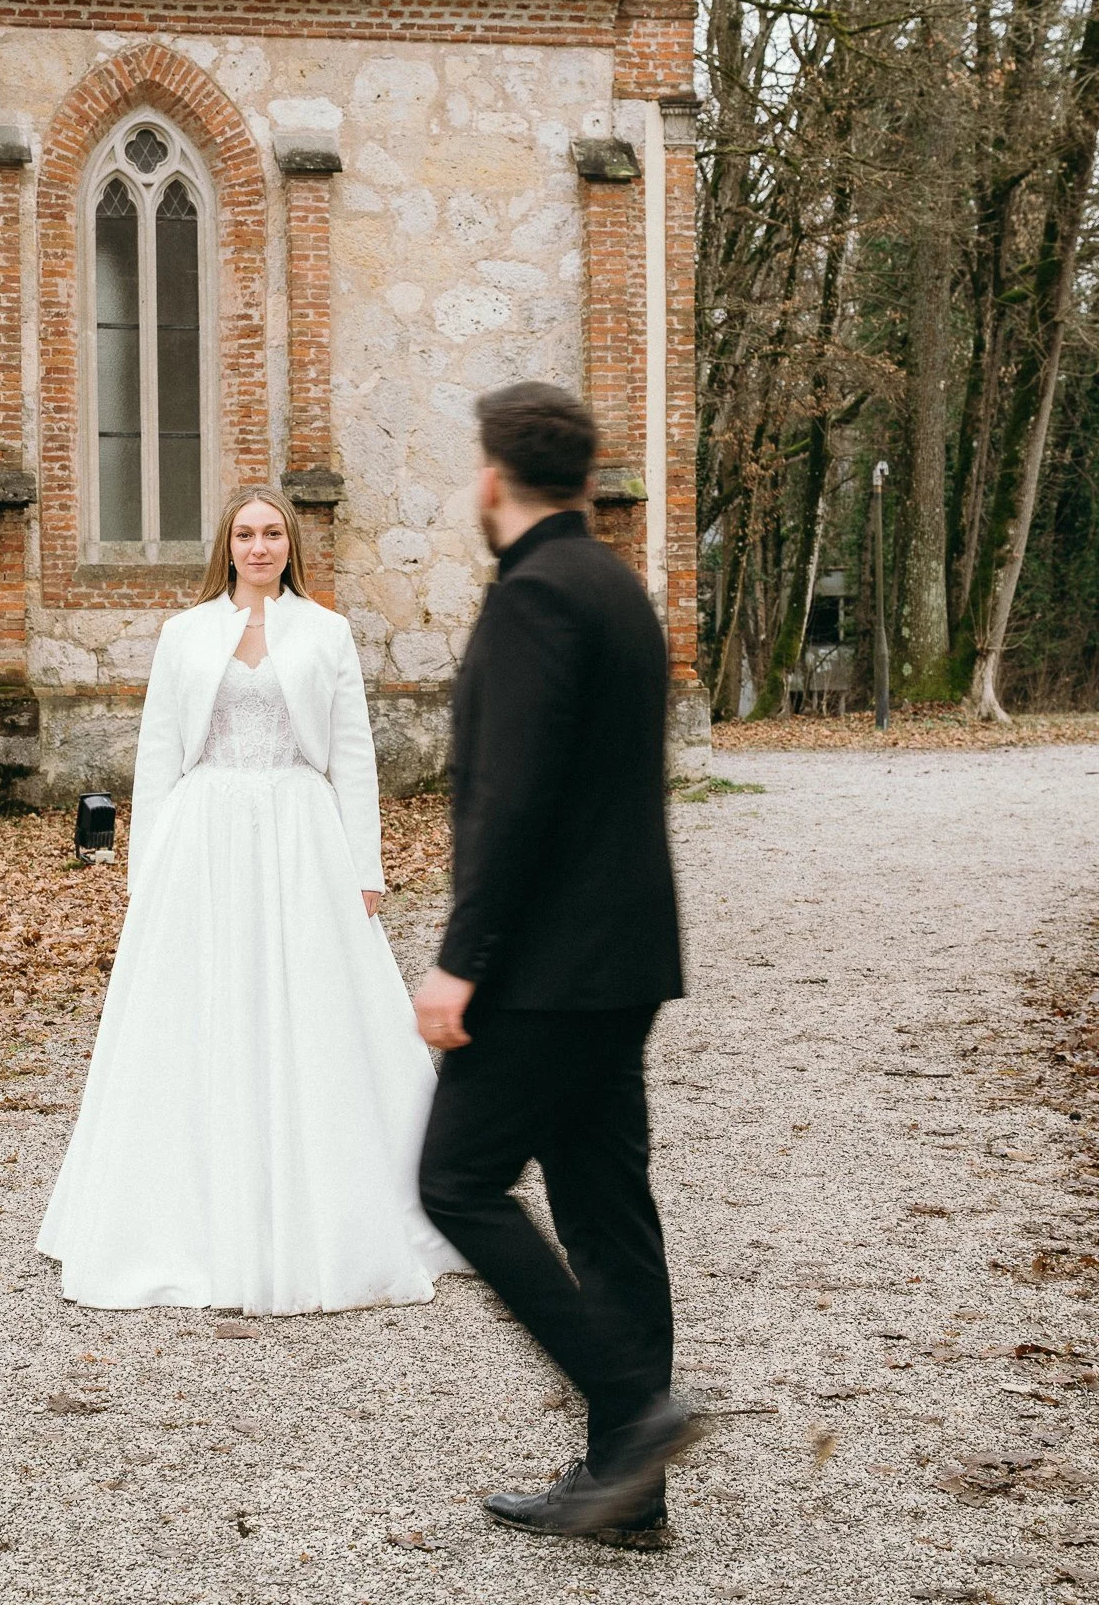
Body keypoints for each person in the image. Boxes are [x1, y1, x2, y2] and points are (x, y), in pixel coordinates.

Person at [38, 485, 465, 1314]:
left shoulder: (327, 632)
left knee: (313, 1005)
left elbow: (352, 756)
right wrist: (146, 868)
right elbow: (159, 754)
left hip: (301, 831)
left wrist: (365, 866)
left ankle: (338, 1203)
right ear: (227, 546)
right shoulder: (185, 635)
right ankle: (180, 1216)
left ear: (290, 544)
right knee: (197, 1010)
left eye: (272, 533)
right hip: (204, 835)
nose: (260, 546)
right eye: (245, 533)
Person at [413, 381, 694, 1543]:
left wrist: (459, 961)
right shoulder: (618, 587)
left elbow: (512, 801)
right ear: (583, 476)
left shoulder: (533, 597)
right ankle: (632, 1496)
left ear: (494, 478)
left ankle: (636, 1418)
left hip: (545, 966)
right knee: (604, 1208)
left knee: (457, 1181)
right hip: (624, 956)